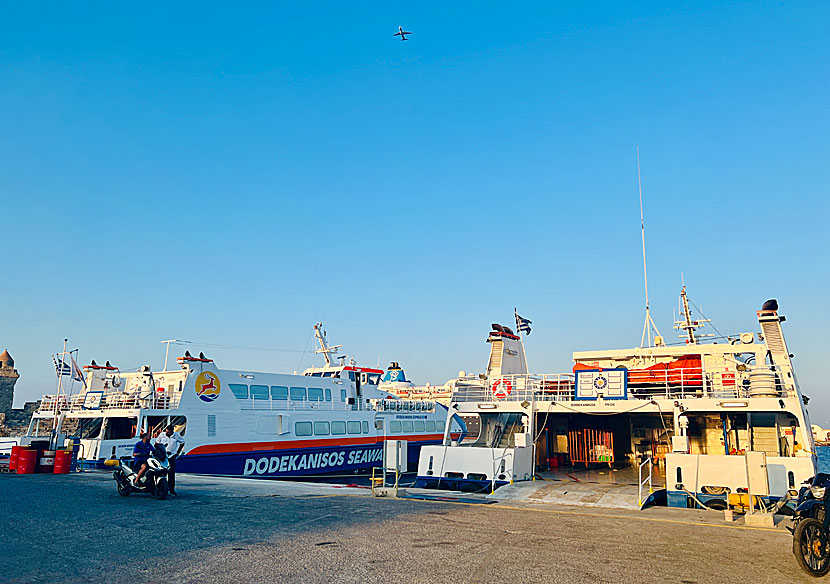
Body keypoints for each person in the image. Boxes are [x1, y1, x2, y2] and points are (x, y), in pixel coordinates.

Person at [156, 424, 185, 496]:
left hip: (171, 456)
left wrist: (178, 451)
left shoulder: (176, 435)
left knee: (171, 473)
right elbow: (156, 443)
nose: (167, 433)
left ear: (172, 431)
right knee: (161, 472)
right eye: (166, 432)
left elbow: (182, 442)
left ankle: (171, 489)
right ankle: (160, 488)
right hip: (162, 456)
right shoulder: (162, 435)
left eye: (169, 432)